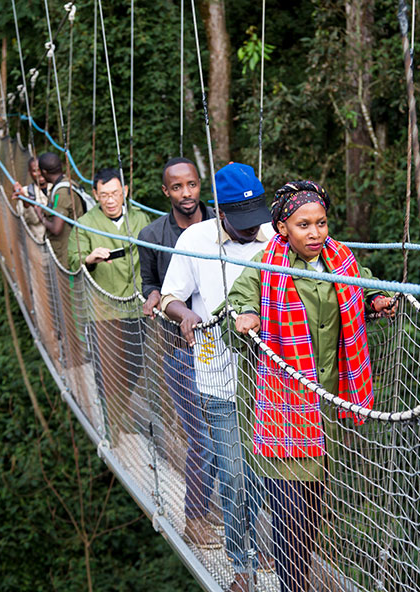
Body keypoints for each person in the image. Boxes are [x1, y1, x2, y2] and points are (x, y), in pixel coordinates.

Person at [225, 180, 395, 592]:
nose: (315, 233)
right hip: (286, 405)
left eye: (320, 223)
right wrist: (245, 315)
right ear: (282, 227)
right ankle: (292, 584)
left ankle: (295, 579)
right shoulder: (267, 268)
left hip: (329, 404)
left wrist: (375, 297)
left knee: (315, 503)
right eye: (303, 225)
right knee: (292, 505)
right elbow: (236, 304)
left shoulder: (341, 260)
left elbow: (364, 280)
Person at [161, 162, 275, 592]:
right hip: (216, 376)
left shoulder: (277, 242)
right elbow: (170, 295)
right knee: (232, 473)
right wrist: (185, 314)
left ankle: (252, 543)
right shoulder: (194, 240)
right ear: (221, 213)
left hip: (268, 382)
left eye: (256, 220)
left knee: (263, 475)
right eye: (241, 223)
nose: (252, 230)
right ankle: (242, 566)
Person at [137, 157, 221, 550]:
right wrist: (154, 297)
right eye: (176, 187)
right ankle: (196, 519)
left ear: (198, 184)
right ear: (165, 191)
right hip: (179, 350)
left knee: (233, 440)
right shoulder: (152, 233)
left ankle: (234, 522)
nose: (185, 194)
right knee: (202, 439)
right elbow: (150, 284)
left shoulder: (225, 226)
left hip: (225, 348)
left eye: (191, 185)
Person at [68, 167, 151, 438]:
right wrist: (89, 259)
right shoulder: (85, 222)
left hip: (136, 305)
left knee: (135, 364)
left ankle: (119, 412)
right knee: (108, 369)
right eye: (104, 195)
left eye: (115, 193)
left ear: (125, 191)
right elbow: (72, 260)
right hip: (102, 310)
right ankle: (112, 428)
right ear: (95, 195)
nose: (111, 200)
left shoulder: (141, 219)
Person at [34, 152, 85, 266]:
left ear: (44, 172)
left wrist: (40, 216)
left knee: (69, 283)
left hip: (67, 250)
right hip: (73, 245)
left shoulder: (60, 193)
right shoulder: (68, 182)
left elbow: (56, 229)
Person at [11, 157, 49, 241]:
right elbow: (25, 218)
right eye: (35, 171)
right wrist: (25, 200)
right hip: (40, 241)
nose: (39, 173)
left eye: (41, 169)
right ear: (30, 172)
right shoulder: (25, 192)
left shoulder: (58, 188)